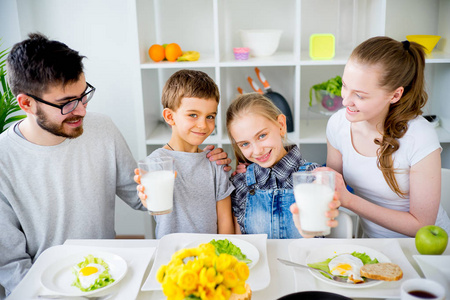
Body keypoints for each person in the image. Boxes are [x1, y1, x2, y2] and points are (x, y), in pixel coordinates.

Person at [0, 33, 229, 297]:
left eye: (83, 96)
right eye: (67, 104)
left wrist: (199, 162)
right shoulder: (5, 159)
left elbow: (141, 197)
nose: (82, 111)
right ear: (27, 103)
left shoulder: (101, 128)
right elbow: (10, 266)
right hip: (44, 290)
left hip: (108, 275)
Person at [320, 36, 450, 238]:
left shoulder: (420, 136)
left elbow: (421, 226)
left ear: (395, 95)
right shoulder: (338, 125)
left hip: (427, 249)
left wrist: (349, 200)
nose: (345, 100)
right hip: (374, 246)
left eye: (360, 95)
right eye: (345, 85)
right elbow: (332, 188)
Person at [136, 69, 235, 239]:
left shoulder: (215, 164)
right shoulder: (156, 164)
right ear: (169, 116)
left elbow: (225, 220)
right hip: (171, 256)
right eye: (193, 115)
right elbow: (151, 202)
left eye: (210, 116)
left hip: (209, 256)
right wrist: (147, 198)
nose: (203, 125)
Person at [226, 93, 340, 238]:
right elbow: (240, 245)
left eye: (262, 136)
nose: (257, 151)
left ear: (281, 125)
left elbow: (318, 237)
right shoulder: (240, 183)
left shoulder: (314, 177)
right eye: (245, 144)